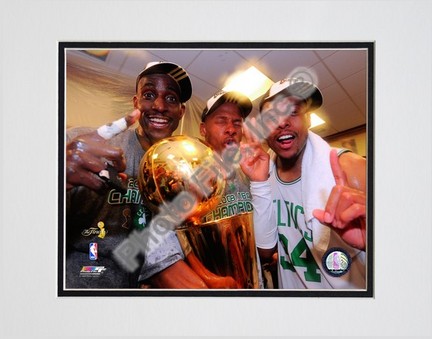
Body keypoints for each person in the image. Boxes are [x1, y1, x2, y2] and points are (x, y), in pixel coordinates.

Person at [65, 61, 208, 288]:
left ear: (181, 111)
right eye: (149, 94)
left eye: (171, 98)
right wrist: (57, 175)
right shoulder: (92, 145)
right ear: (136, 102)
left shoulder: (179, 172)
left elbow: (168, 248)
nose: (160, 106)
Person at [239, 77, 367, 289]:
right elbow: (264, 251)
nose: (282, 122)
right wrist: (259, 183)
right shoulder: (266, 172)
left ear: (308, 119)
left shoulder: (351, 169)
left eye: (293, 112)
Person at [138, 90, 265, 288]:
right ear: (203, 129)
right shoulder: (185, 176)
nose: (231, 129)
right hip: (208, 290)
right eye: (222, 121)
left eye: (237, 122)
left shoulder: (253, 172)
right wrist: (206, 282)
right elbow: (160, 246)